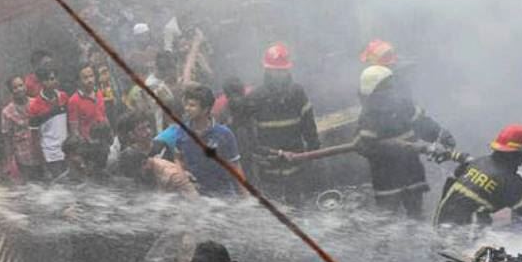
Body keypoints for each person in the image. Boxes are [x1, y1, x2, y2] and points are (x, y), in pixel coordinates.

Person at [277, 65, 458, 219]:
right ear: (377, 89)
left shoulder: (400, 105)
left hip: (406, 171)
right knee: (391, 220)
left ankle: (410, 244)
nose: (391, 89)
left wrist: (440, 134)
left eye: (390, 84)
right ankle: (391, 248)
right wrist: (398, 148)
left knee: (410, 215)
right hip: (390, 175)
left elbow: (422, 123)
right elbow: (365, 146)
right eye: (386, 85)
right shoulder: (372, 115)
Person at [434, 124, 522, 229]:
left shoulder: (478, 162)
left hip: (439, 224)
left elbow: (460, 169)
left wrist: (451, 154)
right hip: (464, 238)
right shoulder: (510, 182)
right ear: (519, 153)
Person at [246, 43, 320, 204]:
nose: (279, 75)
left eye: (282, 70)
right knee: (273, 209)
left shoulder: (297, 93)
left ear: (288, 70)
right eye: (275, 70)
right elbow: (250, 138)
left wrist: (313, 152)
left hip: (296, 164)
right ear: (267, 70)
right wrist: (260, 157)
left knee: (298, 207)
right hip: (269, 169)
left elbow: (309, 126)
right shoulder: (256, 98)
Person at [152, 83, 243, 196]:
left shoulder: (224, 134)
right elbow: (178, 158)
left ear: (206, 109)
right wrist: (183, 178)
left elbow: (235, 166)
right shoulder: (182, 132)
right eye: (186, 104)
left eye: (192, 105)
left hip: (223, 195)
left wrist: (245, 196)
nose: (187, 108)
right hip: (197, 196)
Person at [27, 67, 70, 179]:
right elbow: (34, 138)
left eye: (55, 78)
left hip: (67, 151)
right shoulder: (35, 106)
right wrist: (42, 162)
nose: (54, 81)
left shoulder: (64, 97)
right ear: (42, 82)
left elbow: (69, 123)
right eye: (50, 79)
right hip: (50, 154)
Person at [0, 75, 44, 183]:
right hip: (22, 157)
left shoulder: (36, 103)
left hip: (41, 153)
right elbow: (7, 138)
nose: (19, 89)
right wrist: (9, 161)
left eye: (21, 85)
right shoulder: (7, 112)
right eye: (15, 87)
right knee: (29, 186)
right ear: (11, 91)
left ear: (25, 86)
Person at [67, 64, 108, 141]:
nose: (90, 80)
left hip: (105, 139)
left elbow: (104, 116)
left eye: (91, 76)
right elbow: (74, 131)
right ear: (78, 81)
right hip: (88, 143)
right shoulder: (73, 100)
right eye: (85, 78)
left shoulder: (99, 92)